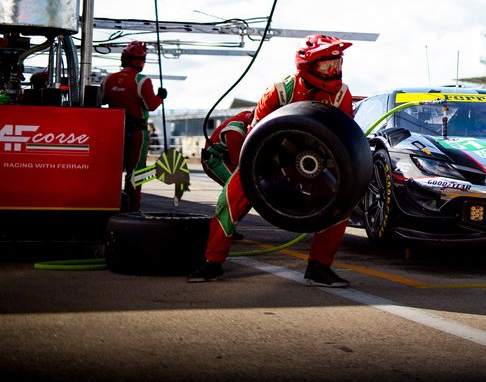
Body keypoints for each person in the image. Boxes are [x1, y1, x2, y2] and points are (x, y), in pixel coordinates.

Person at [188, 35, 355, 287]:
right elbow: (255, 141)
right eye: (327, 66)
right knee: (231, 198)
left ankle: (319, 268)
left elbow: (344, 140)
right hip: (267, 158)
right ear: (308, 66)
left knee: (342, 202)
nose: (334, 71)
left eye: (337, 64)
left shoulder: (342, 95)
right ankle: (212, 263)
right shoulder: (278, 91)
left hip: (316, 162)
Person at [100, 41, 166, 212]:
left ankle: (109, 205)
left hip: (114, 131)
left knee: (112, 171)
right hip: (137, 132)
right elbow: (151, 105)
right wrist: (160, 96)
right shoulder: (142, 81)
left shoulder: (108, 79)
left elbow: (102, 101)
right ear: (141, 61)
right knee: (136, 173)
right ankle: (133, 210)